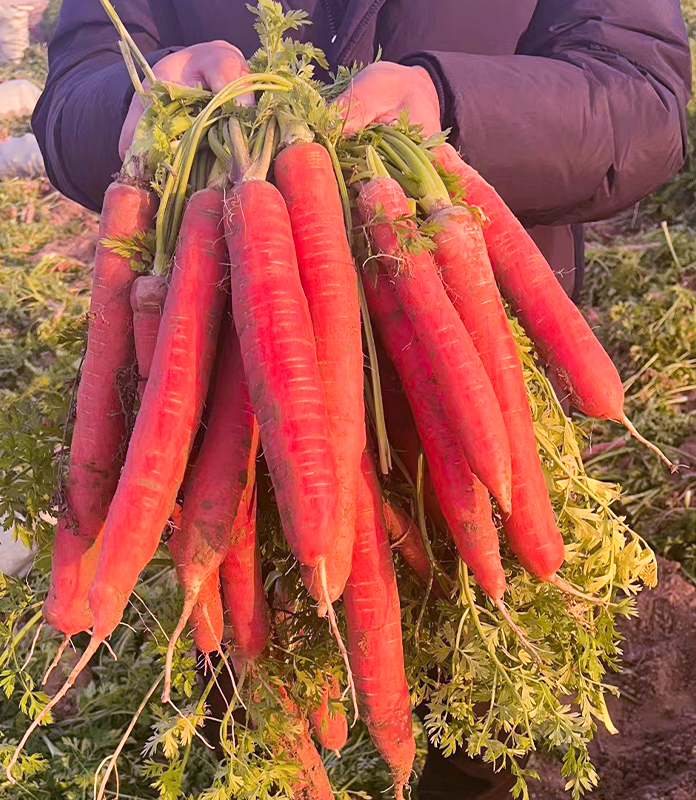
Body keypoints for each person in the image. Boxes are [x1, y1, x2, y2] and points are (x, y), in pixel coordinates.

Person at [33, 1, 691, 797]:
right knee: (247, 652)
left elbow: (643, 100)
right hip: (222, 392)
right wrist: (130, 101)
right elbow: (76, 86)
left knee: (479, 685)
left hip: (458, 373)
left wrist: (449, 102)